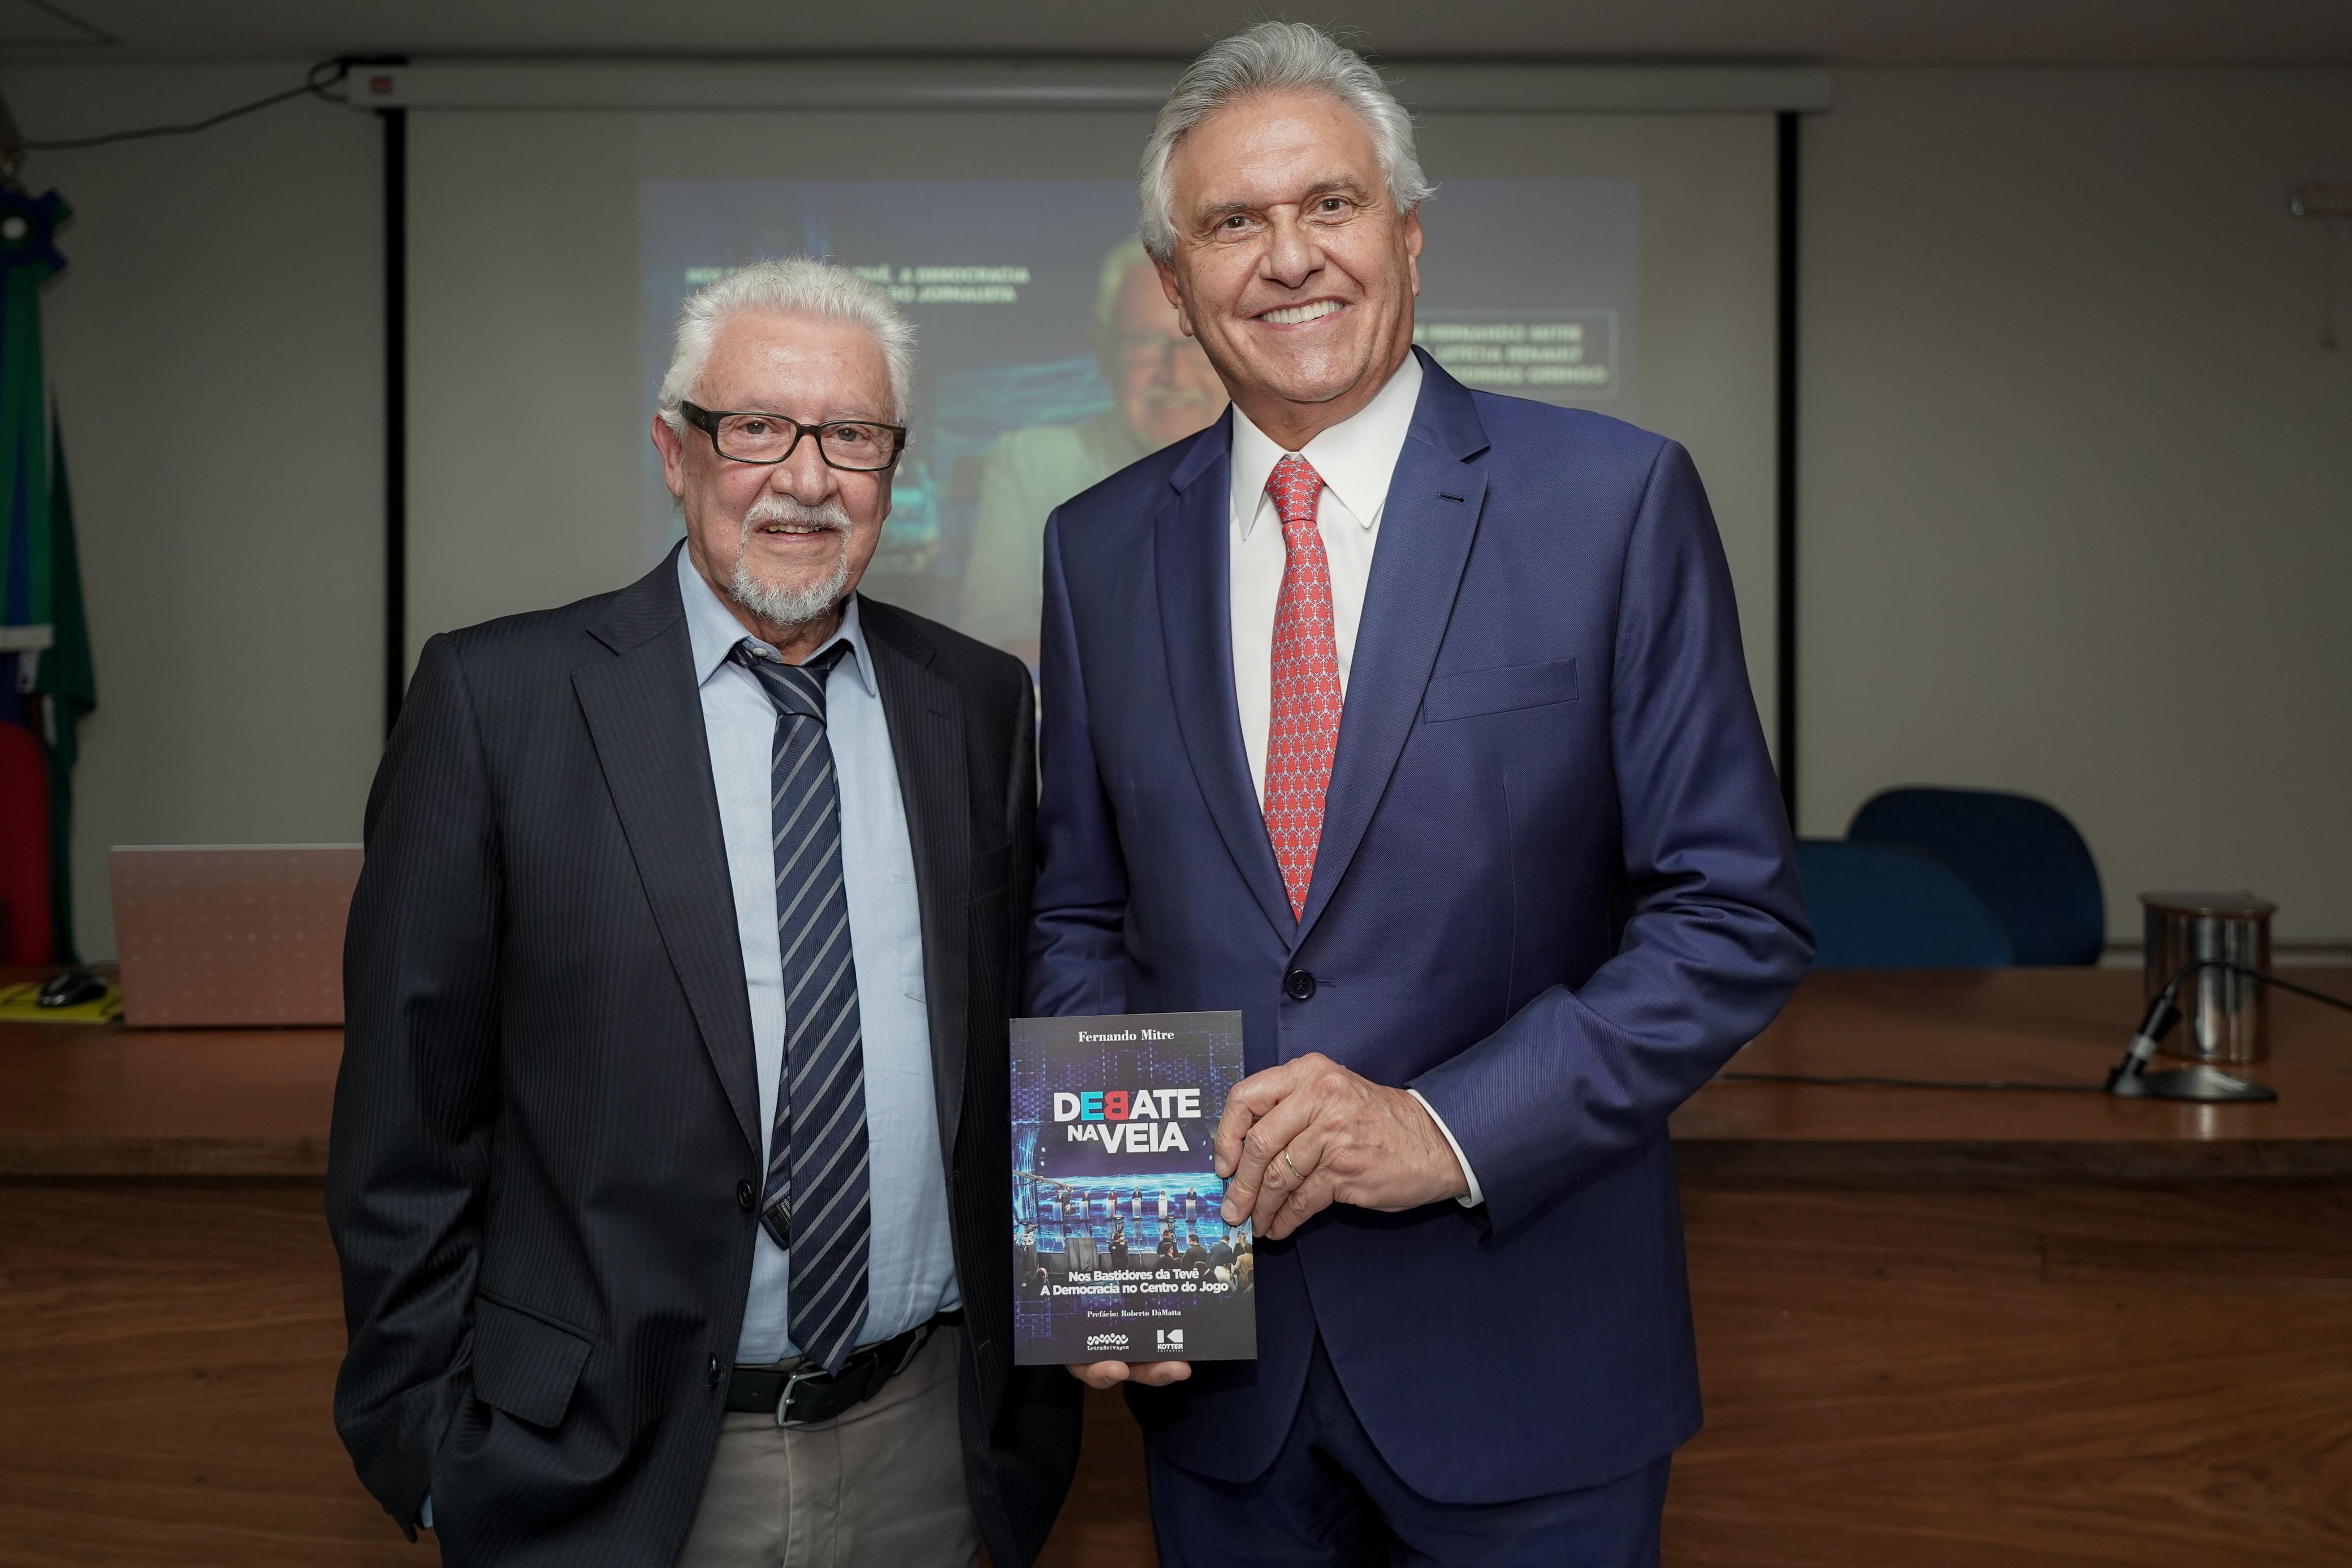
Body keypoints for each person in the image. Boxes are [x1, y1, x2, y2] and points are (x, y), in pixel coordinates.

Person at [1029, 23, 1809, 1567]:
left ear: (1407, 236)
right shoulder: (1097, 545)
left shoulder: (1612, 498)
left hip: (1531, 1367)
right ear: (1175, 286)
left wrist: (1442, 1123)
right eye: (1231, 224)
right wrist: (1120, 1256)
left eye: (1328, 204)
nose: (1287, 257)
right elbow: (1080, 912)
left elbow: (1732, 916)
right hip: (1223, 1390)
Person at [328, 258, 1079, 1568]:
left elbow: (1028, 1029)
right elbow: (407, 1121)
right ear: (675, 452)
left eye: (850, 435)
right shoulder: (496, 700)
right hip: (605, 1466)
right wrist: (425, 1444)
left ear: (892, 467)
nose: (804, 477)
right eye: (756, 429)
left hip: (932, 1447)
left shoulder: (975, 703)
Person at [957, 237, 1227, 661]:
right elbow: (991, 646)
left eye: (1193, 341)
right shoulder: (1032, 465)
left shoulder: (1286, 471)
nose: (1174, 374)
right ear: (1105, 355)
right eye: (1145, 344)